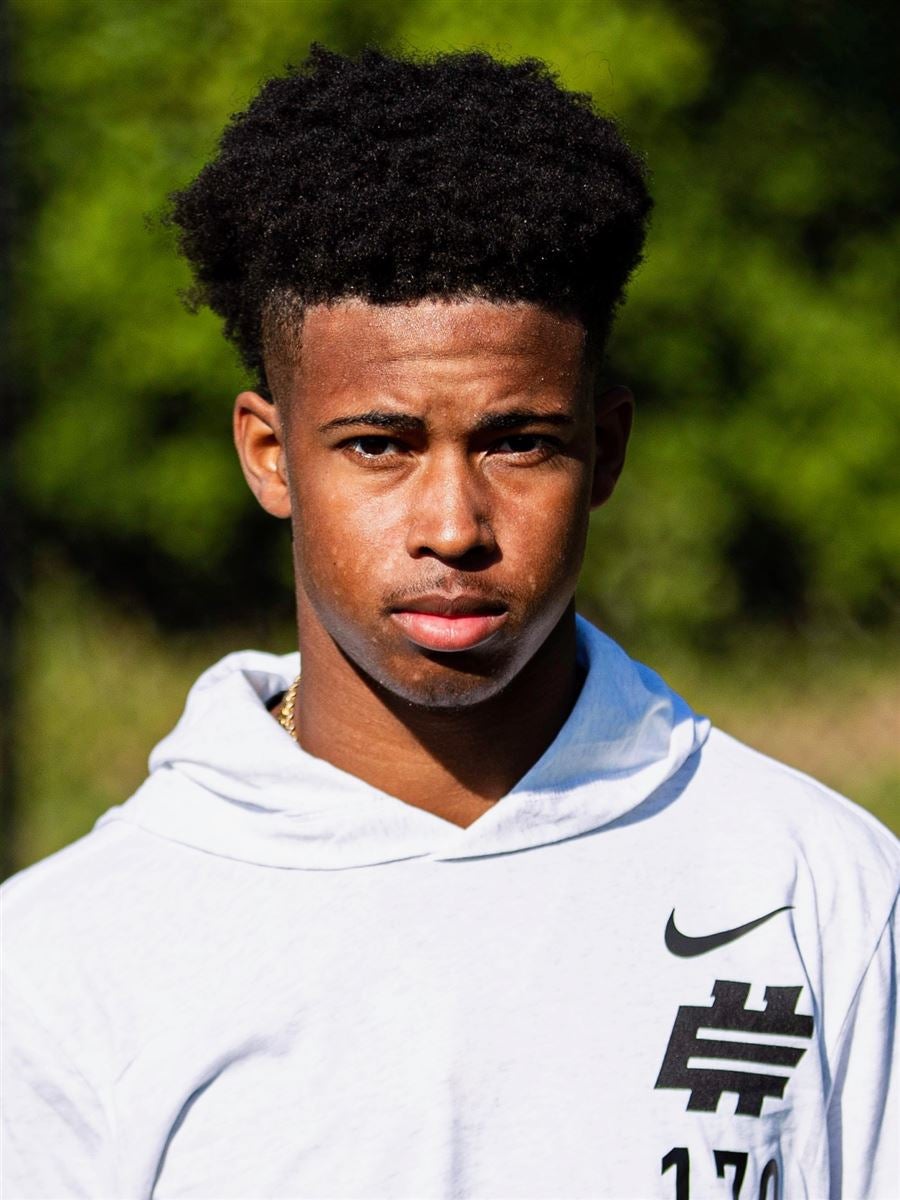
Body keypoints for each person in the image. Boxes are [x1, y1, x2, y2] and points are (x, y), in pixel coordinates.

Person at [2, 45, 897, 1200]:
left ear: (605, 450)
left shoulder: (823, 891)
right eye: (379, 445)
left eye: (518, 443)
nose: (454, 527)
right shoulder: (62, 963)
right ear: (270, 455)